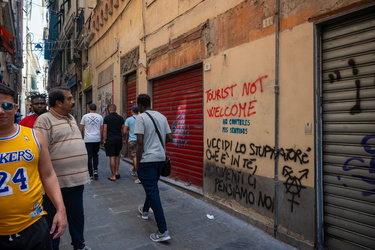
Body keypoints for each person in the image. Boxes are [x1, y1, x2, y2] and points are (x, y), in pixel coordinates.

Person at [0, 84, 67, 249]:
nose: (1, 111)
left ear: (15, 108)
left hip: (34, 226)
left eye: (6, 105)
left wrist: (60, 208)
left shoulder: (35, 137)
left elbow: (48, 174)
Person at [34, 87, 91, 250]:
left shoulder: (71, 117)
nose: (73, 101)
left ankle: (79, 244)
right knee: (54, 220)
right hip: (56, 183)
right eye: (69, 98)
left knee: (77, 216)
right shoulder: (44, 120)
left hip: (76, 180)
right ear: (58, 103)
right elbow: (39, 152)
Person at [134, 94, 173, 242]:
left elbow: (139, 142)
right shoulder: (162, 116)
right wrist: (158, 145)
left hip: (148, 160)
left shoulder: (141, 117)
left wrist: (137, 162)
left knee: (152, 192)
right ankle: (145, 211)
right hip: (160, 159)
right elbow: (169, 137)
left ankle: (163, 230)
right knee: (152, 187)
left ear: (140, 106)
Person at [79, 103, 103, 181]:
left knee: (89, 156)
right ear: (95, 109)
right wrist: (102, 138)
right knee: (95, 155)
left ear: (89, 108)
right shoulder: (100, 117)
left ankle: (91, 174)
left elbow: (81, 128)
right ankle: (95, 170)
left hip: (88, 139)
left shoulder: (85, 117)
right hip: (97, 138)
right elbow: (101, 129)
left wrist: (79, 137)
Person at [102, 104, 125, 181]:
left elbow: (105, 129)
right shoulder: (120, 118)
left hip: (110, 139)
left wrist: (104, 139)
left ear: (109, 109)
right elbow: (123, 130)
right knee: (117, 156)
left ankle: (113, 176)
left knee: (112, 156)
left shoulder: (107, 118)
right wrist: (124, 139)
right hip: (118, 138)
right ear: (116, 109)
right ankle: (116, 172)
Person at [123, 105, 141, 184]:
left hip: (132, 140)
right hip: (141, 140)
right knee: (140, 156)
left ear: (132, 111)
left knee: (134, 156)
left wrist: (125, 138)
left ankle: (139, 174)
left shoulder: (129, 119)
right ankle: (134, 169)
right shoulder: (141, 118)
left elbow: (124, 131)